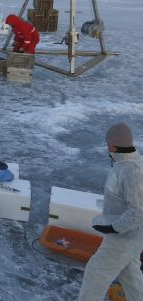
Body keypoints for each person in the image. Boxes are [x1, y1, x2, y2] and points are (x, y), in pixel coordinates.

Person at [78, 122, 143, 301]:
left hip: (124, 237)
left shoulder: (132, 170)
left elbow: (138, 210)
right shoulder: (128, 163)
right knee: (131, 276)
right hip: (131, 235)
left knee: (95, 274)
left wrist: (114, 228)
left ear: (112, 146)